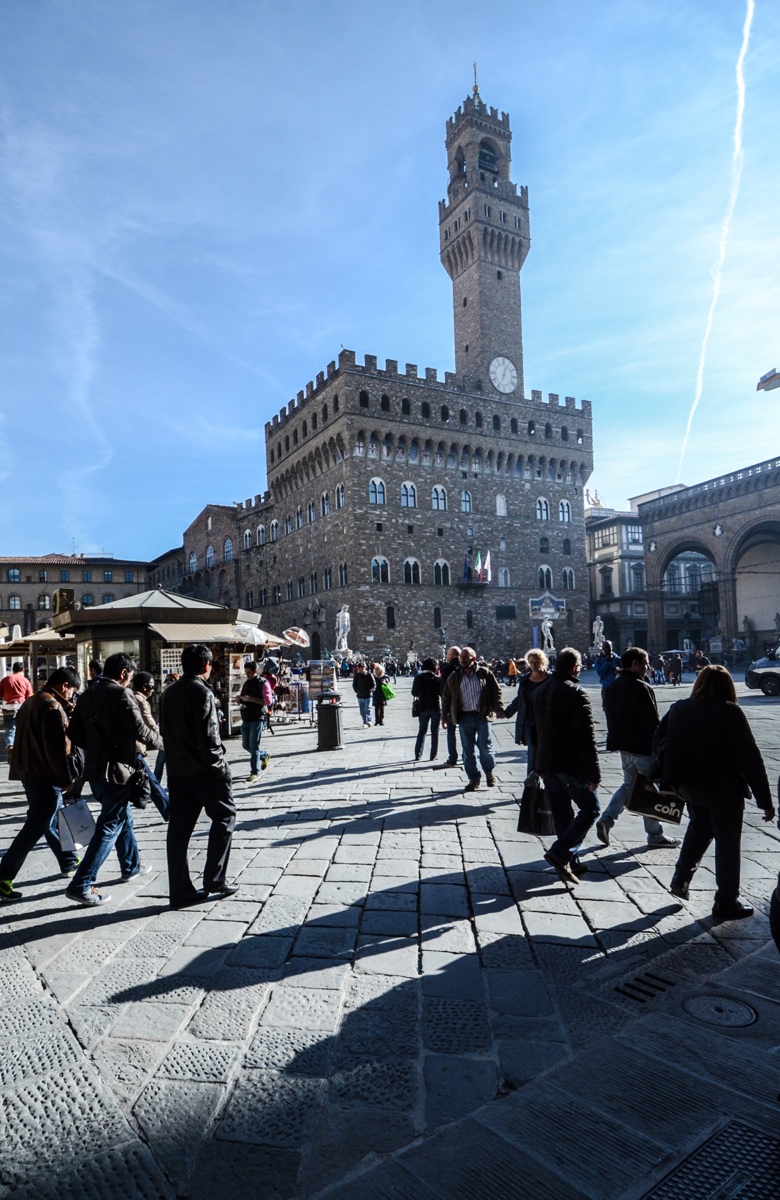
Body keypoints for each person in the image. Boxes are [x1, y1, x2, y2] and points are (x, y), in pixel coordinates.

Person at [656, 665, 774, 920]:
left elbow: (658, 740)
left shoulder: (679, 707)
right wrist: (765, 801)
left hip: (688, 786)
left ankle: (680, 878)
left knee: (699, 828)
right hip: (723, 790)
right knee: (728, 844)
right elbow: (750, 759)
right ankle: (726, 902)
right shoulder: (730, 712)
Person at [66, 653, 161, 906]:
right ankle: (81, 883)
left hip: (95, 770)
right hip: (117, 771)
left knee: (122, 816)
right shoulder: (122, 694)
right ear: (123, 673)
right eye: (131, 676)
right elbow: (141, 730)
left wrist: (97, 747)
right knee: (110, 825)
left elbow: (74, 733)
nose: (130, 680)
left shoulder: (86, 695)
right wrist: (165, 744)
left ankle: (131, 865)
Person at [161, 644, 238, 910]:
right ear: (206, 665)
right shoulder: (203, 692)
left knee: (179, 831)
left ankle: (179, 890)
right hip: (204, 771)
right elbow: (209, 737)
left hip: (178, 771)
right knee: (225, 816)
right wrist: (221, 768)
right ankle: (215, 879)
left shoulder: (168, 692)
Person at [0, 667, 82, 903]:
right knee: (36, 826)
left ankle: (68, 860)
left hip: (29, 772)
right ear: (64, 686)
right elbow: (55, 750)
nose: (71, 696)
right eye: (72, 691)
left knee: (47, 819)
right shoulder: (52, 707)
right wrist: (66, 779)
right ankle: (3, 875)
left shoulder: (32, 701)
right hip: (45, 775)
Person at [597, 647, 680, 850]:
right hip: (642, 747)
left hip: (624, 747)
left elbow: (610, 718)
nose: (648, 667)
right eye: (645, 663)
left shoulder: (612, 687)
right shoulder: (641, 687)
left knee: (629, 785)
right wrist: (658, 746)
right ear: (635, 664)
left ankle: (607, 820)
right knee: (647, 789)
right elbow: (652, 722)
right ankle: (655, 836)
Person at [532, 647, 600, 885]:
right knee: (591, 809)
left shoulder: (540, 691)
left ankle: (571, 861)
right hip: (570, 764)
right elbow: (586, 737)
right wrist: (594, 774)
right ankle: (560, 853)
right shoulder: (576, 692)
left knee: (562, 813)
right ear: (573, 667)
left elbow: (538, 731)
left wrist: (539, 763)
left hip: (548, 763)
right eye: (579, 666)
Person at [442, 646, 503, 791]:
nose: (462, 659)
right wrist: (444, 716)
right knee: (468, 750)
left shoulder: (484, 673)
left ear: (473, 658)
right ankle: (474, 779)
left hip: (483, 715)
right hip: (464, 717)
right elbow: (446, 697)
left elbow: (496, 690)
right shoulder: (454, 676)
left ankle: (489, 772)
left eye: (465, 657)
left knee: (485, 746)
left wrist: (499, 708)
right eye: (461, 657)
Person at [130, 672, 170, 820]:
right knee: (150, 780)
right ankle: (168, 810)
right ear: (144, 686)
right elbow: (149, 724)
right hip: (134, 747)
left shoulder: (130, 696)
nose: (153, 690)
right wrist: (163, 739)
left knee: (148, 778)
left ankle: (168, 809)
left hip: (128, 746)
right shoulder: (141, 701)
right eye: (152, 687)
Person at [503, 648, 549, 776]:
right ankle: (531, 781)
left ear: (542, 662)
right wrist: (507, 712)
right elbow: (520, 699)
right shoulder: (525, 680)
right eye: (531, 662)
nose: (534, 665)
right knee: (532, 751)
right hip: (529, 720)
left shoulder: (550, 679)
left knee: (546, 750)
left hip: (546, 721)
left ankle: (548, 780)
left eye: (537, 662)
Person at [238, 661, 272, 781]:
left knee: (254, 745)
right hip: (246, 717)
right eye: (246, 672)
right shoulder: (247, 683)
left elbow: (268, 701)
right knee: (246, 745)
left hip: (257, 717)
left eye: (249, 672)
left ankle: (254, 772)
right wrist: (240, 699)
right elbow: (243, 696)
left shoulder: (263, 683)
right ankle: (264, 755)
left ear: (255, 671)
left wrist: (251, 699)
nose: (247, 675)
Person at [1, 662, 33, 767]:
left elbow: (0, 694)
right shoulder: (25, 681)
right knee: (22, 729)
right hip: (21, 707)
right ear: (23, 670)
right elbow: (29, 696)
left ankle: (11, 746)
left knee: (10, 729)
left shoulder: (5, 680)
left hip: (8, 707)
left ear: (12, 669)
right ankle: (21, 752)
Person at [434, 646, 461, 770]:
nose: (446, 656)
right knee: (467, 731)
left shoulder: (448, 668)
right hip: (466, 704)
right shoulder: (465, 666)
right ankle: (468, 756)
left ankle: (453, 757)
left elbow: (443, 688)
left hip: (451, 704)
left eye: (448, 654)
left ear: (452, 655)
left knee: (451, 731)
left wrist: (444, 705)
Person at [412, 658, 440, 761]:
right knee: (435, 732)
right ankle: (433, 755)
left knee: (422, 731)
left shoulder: (418, 678)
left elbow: (414, 693)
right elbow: (441, 693)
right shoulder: (437, 679)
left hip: (422, 707)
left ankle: (418, 754)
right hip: (435, 707)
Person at [594, 639, 619, 704]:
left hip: (617, 687)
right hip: (606, 687)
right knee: (607, 706)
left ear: (612, 647)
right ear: (603, 648)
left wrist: (619, 671)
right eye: (605, 648)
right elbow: (600, 673)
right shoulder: (599, 660)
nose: (607, 649)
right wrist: (607, 662)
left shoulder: (617, 659)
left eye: (609, 647)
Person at [352, 661, 375, 726]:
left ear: (365, 668)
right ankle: (364, 721)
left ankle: (369, 721)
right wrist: (357, 691)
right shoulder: (357, 675)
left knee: (368, 708)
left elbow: (374, 685)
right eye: (360, 668)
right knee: (362, 710)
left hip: (368, 695)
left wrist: (370, 690)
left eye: (363, 667)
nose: (361, 669)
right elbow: (354, 684)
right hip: (360, 695)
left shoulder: (369, 675)